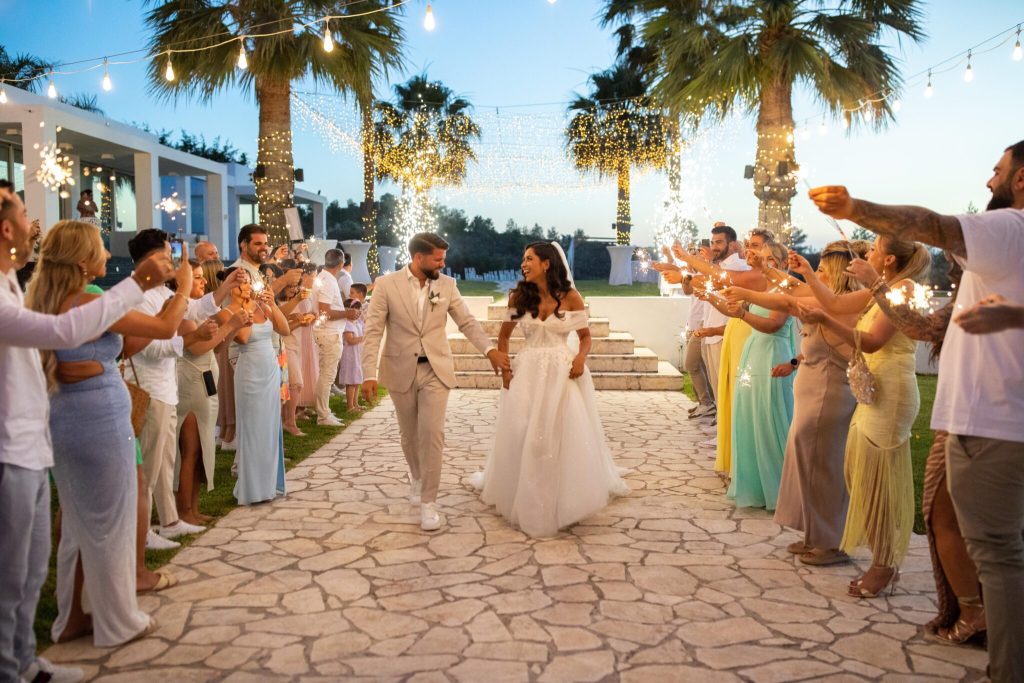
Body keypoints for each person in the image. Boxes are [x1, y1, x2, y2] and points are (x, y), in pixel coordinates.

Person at [809, 143, 1024, 680]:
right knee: (945, 518)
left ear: (1021, 180)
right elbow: (925, 328)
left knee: (999, 552)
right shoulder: (995, 263)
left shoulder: (1011, 227)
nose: (988, 180)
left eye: (997, 171)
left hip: (994, 420)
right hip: (966, 419)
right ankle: (970, 614)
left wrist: (854, 208)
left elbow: (931, 224)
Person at [0, 183, 174, 683]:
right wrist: (139, 282)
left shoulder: (15, 285)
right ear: (6, 228)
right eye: (25, 214)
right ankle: (19, 664)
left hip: (39, 437)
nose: (33, 224)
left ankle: (27, 660)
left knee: (34, 566)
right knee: (15, 573)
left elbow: (45, 346)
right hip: (24, 442)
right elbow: (63, 332)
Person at [26, 220, 195, 647]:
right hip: (98, 420)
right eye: (100, 247)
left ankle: (73, 618)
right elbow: (165, 328)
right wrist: (184, 288)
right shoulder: (87, 299)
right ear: (82, 260)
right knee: (110, 520)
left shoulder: (45, 298)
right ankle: (117, 619)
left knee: (80, 522)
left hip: (66, 416)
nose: (106, 253)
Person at [797, 236, 931, 598]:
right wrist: (809, 275)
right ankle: (882, 559)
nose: (867, 253)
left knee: (877, 483)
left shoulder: (905, 289)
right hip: (873, 390)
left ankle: (884, 565)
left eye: (873, 249)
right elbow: (835, 302)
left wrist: (827, 320)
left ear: (888, 259)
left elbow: (873, 341)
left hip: (892, 393)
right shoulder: (882, 289)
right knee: (861, 476)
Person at [470, 242, 628, 537]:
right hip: (527, 371)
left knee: (558, 432)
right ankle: (522, 490)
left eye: (529, 258)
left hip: (561, 372)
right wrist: (506, 370)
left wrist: (580, 358)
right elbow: (504, 337)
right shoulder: (519, 296)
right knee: (523, 428)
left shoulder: (571, 297)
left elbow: (585, 337)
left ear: (546, 264)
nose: (523, 264)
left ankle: (561, 496)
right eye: (523, 259)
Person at [361, 232, 510, 531]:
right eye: (438, 259)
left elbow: (466, 321)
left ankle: (429, 502)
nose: (443, 264)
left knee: (432, 434)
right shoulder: (387, 285)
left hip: (435, 369)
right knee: (409, 434)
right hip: (399, 368)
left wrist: (489, 350)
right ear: (419, 258)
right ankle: (417, 476)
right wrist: (368, 374)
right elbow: (374, 329)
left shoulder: (447, 285)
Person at [128, 230, 239, 549]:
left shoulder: (161, 291)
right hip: (149, 388)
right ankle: (141, 532)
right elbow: (146, 347)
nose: (173, 262)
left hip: (167, 387)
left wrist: (225, 289)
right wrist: (191, 337)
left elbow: (193, 310)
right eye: (168, 256)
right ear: (152, 259)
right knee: (149, 466)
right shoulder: (140, 296)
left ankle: (169, 521)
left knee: (165, 463)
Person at [176, 260, 249, 525]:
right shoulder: (182, 315)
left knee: (202, 449)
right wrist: (230, 325)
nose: (203, 281)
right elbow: (197, 348)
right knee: (190, 450)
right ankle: (183, 510)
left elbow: (216, 344)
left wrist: (234, 323)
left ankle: (193, 508)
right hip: (190, 385)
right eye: (197, 277)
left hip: (205, 384)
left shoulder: (198, 311)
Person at [726, 241, 796, 510]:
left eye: (769, 258)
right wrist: (711, 297)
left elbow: (774, 324)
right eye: (760, 258)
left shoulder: (785, 289)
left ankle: (778, 489)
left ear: (782, 263)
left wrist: (743, 314)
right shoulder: (763, 290)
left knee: (769, 418)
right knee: (750, 418)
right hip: (753, 354)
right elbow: (734, 310)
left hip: (772, 354)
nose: (762, 263)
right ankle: (755, 486)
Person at [228, 268, 291, 505]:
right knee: (253, 428)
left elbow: (284, 329)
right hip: (250, 372)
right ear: (230, 288)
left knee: (269, 427)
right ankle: (252, 488)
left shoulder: (262, 307)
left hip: (270, 369)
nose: (246, 288)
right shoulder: (231, 311)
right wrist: (247, 307)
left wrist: (271, 304)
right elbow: (243, 337)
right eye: (240, 284)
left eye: (248, 283)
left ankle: (269, 484)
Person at [312, 249, 356, 426]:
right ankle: (323, 415)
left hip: (328, 332)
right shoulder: (328, 281)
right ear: (341, 263)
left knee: (327, 375)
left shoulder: (324, 278)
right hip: (329, 333)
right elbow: (325, 312)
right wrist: (347, 313)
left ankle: (325, 412)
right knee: (327, 376)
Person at [278, 266, 317, 435]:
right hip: (285, 345)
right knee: (296, 384)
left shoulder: (299, 300)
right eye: (290, 287)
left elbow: (310, 313)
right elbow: (282, 329)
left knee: (292, 385)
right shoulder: (279, 305)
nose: (293, 290)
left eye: (295, 286)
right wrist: (297, 322)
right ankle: (290, 421)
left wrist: (310, 317)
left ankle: (287, 419)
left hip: (298, 345)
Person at [339, 284, 367, 412]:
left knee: (356, 380)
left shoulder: (357, 323)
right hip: (350, 356)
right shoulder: (347, 324)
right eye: (356, 311)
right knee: (351, 381)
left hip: (357, 355)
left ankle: (356, 404)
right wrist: (362, 338)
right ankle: (350, 406)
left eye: (359, 311)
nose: (358, 313)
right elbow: (350, 340)